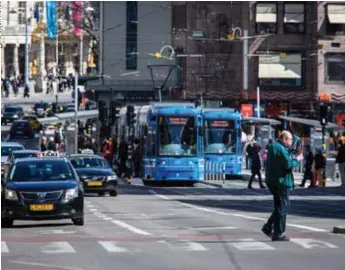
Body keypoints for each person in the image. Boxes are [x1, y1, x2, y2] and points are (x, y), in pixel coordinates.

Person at [262, 130, 303, 241]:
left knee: (279, 207)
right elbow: (288, 164)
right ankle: (278, 232)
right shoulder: (280, 149)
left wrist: (291, 148)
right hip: (280, 182)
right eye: (290, 141)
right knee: (283, 207)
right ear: (284, 139)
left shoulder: (274, 147)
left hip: (273, 181)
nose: (291, 143)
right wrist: (297, 160)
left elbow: (283, 157)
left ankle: (269, 227)